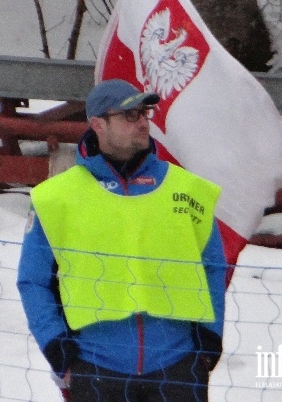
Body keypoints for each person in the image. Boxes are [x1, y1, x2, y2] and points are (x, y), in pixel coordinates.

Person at [17, 79, 227, 402]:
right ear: (98, 124)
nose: (143, 121)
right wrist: (57, 347)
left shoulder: (186, 190)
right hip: (96, 368)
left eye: (145, 112)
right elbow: (32, 280)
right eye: (130, 115)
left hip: (178, 368)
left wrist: (208, 340)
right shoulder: (55, 198)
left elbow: (213, 266)